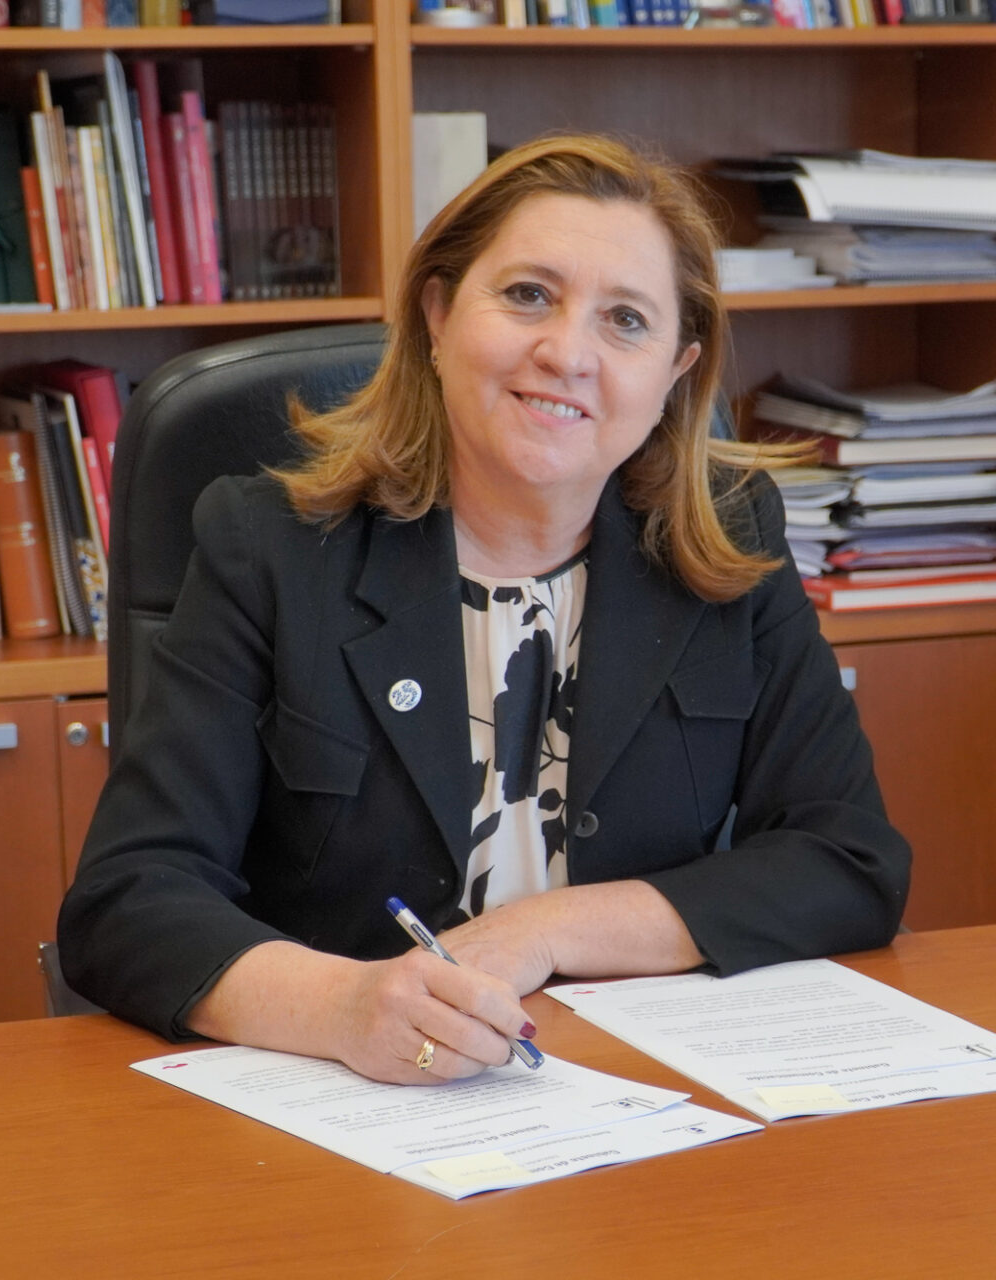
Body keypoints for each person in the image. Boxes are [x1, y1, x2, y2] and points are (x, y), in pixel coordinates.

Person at [58, 134, 911, 1086]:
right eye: (529, 295)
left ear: (676, 370)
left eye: (625, 320)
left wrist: (546, 930)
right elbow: (128, 901)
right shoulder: (274, 549)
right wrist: (342, 1006)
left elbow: (849, 859)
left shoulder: (726, 544)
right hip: (344, 1097)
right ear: (437, 313)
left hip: (628, 1091)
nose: (567, 353)